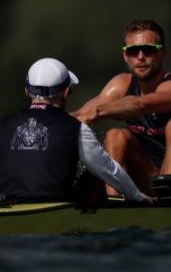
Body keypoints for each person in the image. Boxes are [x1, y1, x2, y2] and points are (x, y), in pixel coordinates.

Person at [73, 20, 171, 197]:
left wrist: (98, 112)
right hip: (153, 176)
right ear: (124, 56)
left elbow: (140, 105)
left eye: (149, 50)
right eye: (132, 51)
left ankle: (167, 201)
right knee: (115, 136)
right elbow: (79, 116)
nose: (140, 57)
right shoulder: (120, 85)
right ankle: (114, 205)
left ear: (163, 53)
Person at [0, 58, 149, 203]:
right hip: (53, 211)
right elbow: (108, 170)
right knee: (92, 176)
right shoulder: (76, 128)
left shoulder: (3, 125)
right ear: (66, 92)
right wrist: (137, 196)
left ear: (27, 92)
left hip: (7, 209)